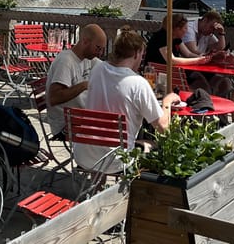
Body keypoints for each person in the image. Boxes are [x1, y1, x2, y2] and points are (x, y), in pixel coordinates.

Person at [76, 26, 180, 170]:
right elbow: (163, 128)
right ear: (137, 54)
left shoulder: (97, 70)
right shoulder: (138, 83)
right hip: (117, 161)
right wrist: (168, 101)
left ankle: (98, 187)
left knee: (108, 144)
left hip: (84, 155)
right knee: (154, 145)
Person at [45, 23, 107, 139]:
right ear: (85, 41)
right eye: (98, 48)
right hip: (66, 125)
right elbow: (54, 98)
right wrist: (84, 85)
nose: (100, 53)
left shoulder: (88, 58)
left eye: (102, 49)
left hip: (80, 118)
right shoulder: (66, 61)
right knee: (116, 129)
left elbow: (108, 70)